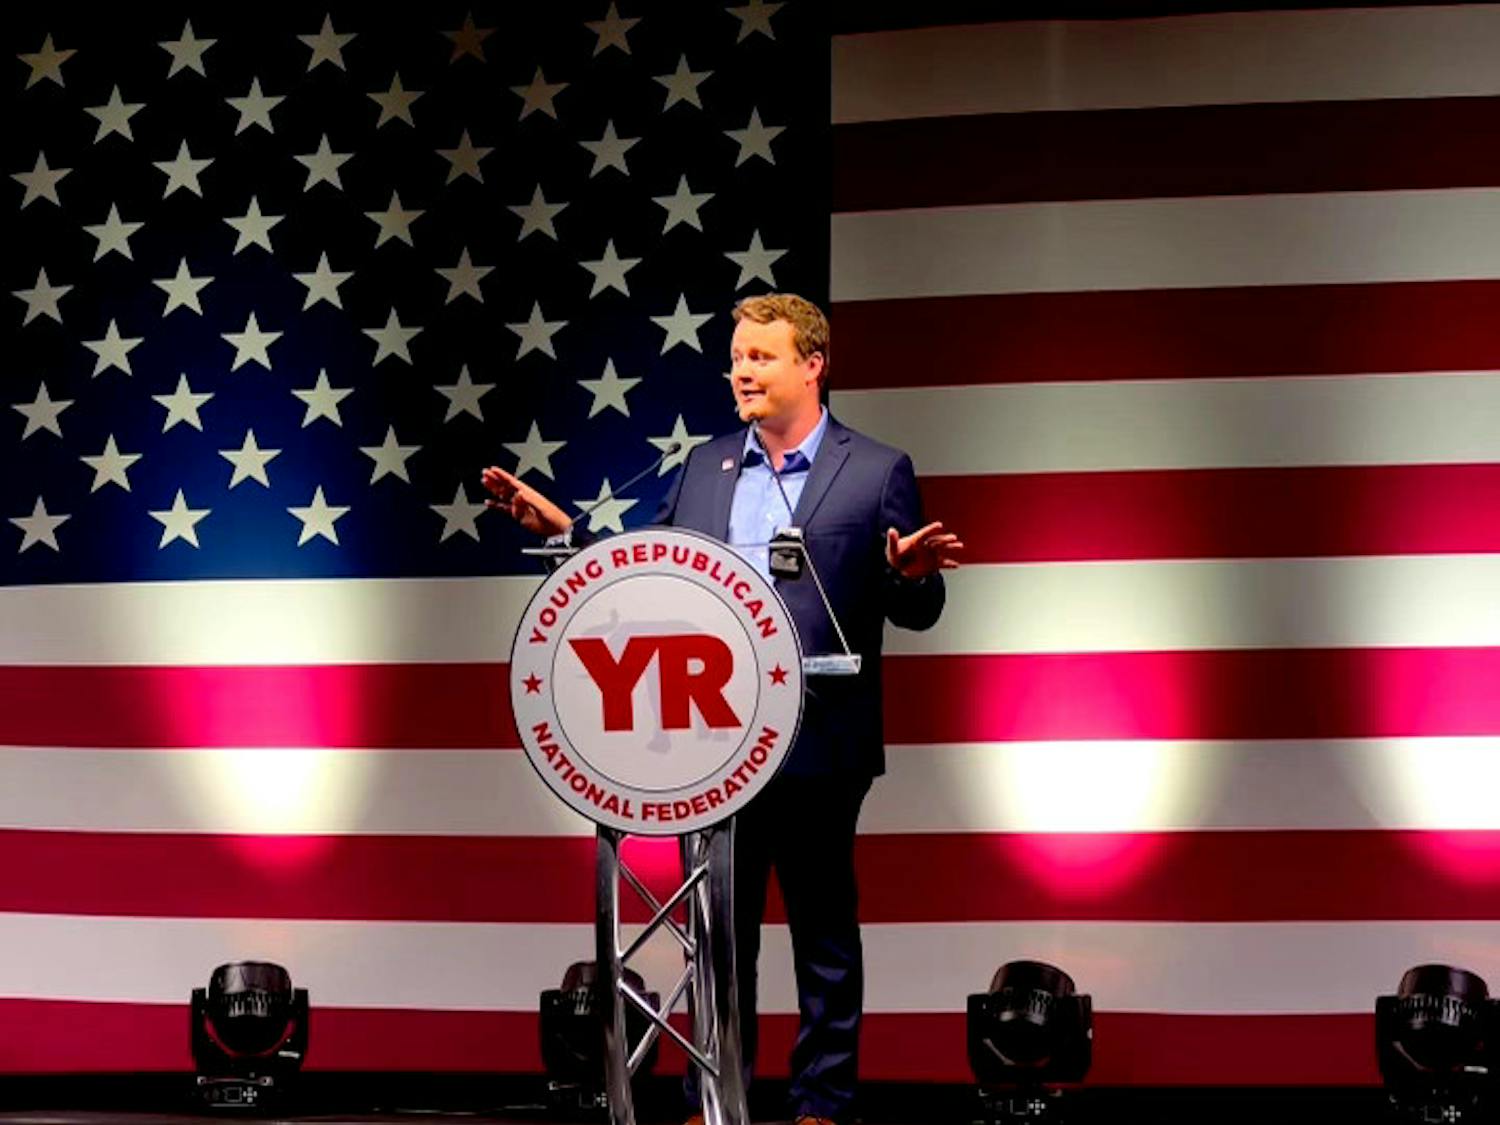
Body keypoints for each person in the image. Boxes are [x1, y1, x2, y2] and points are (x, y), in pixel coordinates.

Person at [481, 293, 961, 1125]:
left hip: (821, 740)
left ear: (813, 365)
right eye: (736, 356)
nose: (740, 370)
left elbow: (914, 608)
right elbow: (650, 577)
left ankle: (821, 1104)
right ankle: (717, 1097)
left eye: (761, 356)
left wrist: (909, 576)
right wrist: (570, 539)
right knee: (719, 937)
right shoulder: (708, 467)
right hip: (716, 744)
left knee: (823, 934)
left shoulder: (879, 469)